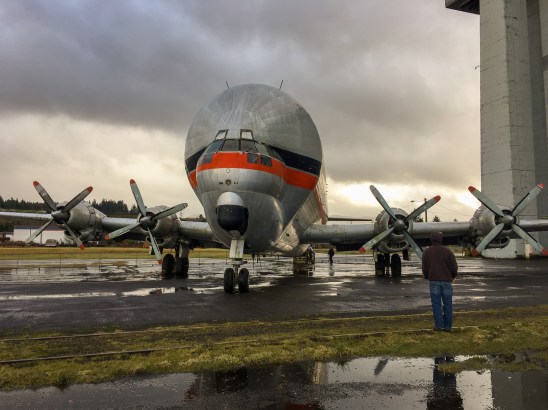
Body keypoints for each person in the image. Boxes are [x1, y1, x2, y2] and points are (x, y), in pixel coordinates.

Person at [422, 232, 458, 332]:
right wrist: (453, 276)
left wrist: (426, 276)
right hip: (447, 281)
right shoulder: (448, 251)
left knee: (436, 304)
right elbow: (454, 266)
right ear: (441, 239)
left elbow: (424, 267)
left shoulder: (427, 252)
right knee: (448, 304)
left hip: (433, 281)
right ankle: (448, 327)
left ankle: (439, 326)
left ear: (431, 240)